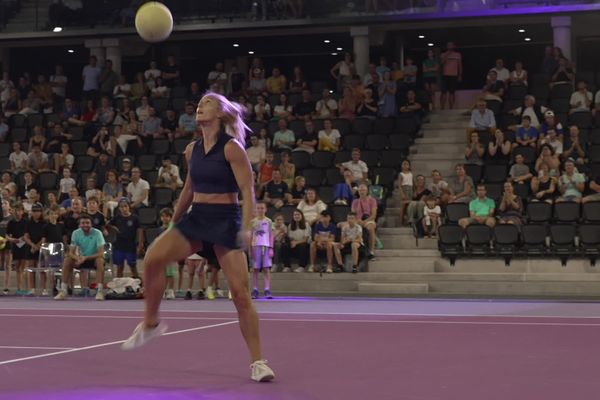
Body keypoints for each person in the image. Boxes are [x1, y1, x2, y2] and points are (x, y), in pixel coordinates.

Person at [120, 92, 275, 382]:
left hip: (225, 221)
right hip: (197, 218)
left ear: (220, 113)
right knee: (153, 258)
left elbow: (248, 190)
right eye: (200, 103)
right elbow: (188, 190)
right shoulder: (192, 150)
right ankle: (150, 323)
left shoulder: (232, 149)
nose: (200, 107)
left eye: (207, 103)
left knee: (241, 296)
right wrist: (174, 225)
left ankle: (258, 362)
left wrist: (248, 225)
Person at [54, 213, 106, 301]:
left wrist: (85, 258)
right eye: (83, 223)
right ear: (79, 225)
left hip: (93, 259)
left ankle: (100, 291)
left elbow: (101, 253)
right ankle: (63, 291)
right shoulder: (76, 233)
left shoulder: (98, 233)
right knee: (67, 260)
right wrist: (77, 258)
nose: (85, 225)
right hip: (81, 259)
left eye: (87, 223)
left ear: (91, 224)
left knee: (100, 261)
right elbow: (70, 252)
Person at [106, 198, 144, 278]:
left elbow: (140, 231)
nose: (124, 208)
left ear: (129, 206)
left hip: (131, 245)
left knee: (132, 266)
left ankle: (138, 283)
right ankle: (119, 285)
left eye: (125, 206)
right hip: (119, 245)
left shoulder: (135, 218)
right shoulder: (117, 217)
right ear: (119, 208)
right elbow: (107, 224)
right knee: (120, 267)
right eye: (121, 207)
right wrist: (114, 227)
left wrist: (140, 243)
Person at [250, 202, 274, 299]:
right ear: (256, 209)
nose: (260, 210)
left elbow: (271, 235)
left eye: (262, 208)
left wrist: (271, 248)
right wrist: (250, 249)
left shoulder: (269, 221)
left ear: (265, 209)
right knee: (255, 269)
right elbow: (251, 236)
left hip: (266, 246)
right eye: (258, 208)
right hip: (255, 246)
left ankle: (267, 289)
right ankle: (255, 289)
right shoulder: (252, 222)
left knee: (266, 269)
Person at [7, 204, 29, 295]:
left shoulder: (26, 222)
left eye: (19, 210)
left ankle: (25, 288)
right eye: (16, 210)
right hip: (16, 245)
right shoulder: (11, 222)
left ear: (23, 211)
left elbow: (28, 233)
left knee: (24, 267)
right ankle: (19, 288)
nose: (18, 212)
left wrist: (24, 238)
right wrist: (13, 240)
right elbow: (7, 235)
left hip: (24, 245)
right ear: (13, 211)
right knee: (18, 268)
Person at [352, 183, 378, 259]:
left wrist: (364, 221)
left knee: (370, 228)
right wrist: (358, 221)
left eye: (363, 190)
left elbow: (373, 215)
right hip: (358, 220)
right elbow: (353, 214)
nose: (362, 192)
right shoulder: (355, 202)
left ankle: (371, 251)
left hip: (368, 220)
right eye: (360, 190)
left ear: (367, 191)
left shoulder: (372, 200)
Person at [24, 203, 45, 295]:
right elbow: (25, 236)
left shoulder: (45, 223)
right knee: (31, 269)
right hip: (31, 248)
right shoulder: (28, 223)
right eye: (34, 211)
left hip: (42, 248)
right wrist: (32, 245)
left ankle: (44, 289)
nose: (36, 213)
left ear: (41, 212)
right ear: (31, 212)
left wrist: (38, 246)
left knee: (42, 269)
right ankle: (32, 289)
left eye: (38, 211)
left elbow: (45, 237)